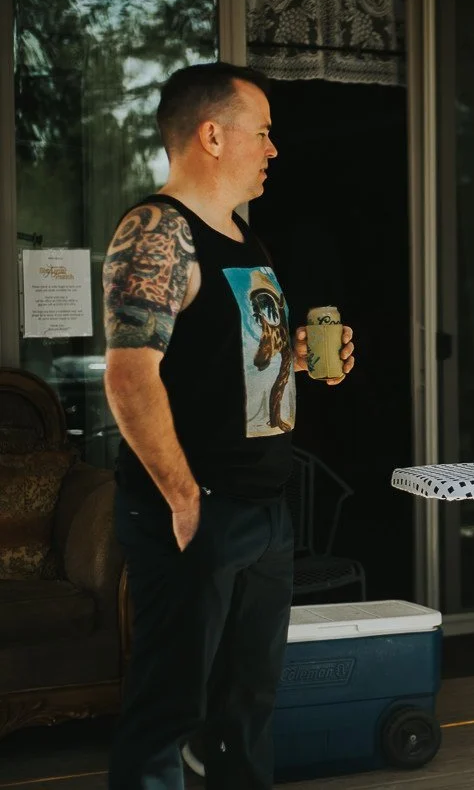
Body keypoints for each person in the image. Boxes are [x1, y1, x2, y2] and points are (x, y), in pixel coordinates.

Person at [103, 62, 356, 790]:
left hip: (264, 511)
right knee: (169, 712)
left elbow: (235, 361)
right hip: (195, 510)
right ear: (213, 135)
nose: (274, 150)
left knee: (247, 709)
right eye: (264, 132)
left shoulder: (244, 237)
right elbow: (129, 376)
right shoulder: (157, 232)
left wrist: (300, 359)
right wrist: (185, 500)